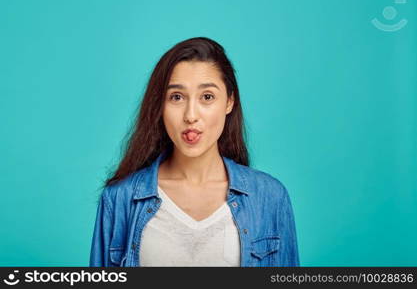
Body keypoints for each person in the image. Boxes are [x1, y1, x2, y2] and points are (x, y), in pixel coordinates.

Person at [89, 37, 299, 267]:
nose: (190, 115)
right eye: (176, 97)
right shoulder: (120, 198)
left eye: (207, 97)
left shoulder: (270, 197)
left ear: (229, 102)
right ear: (160, 105)